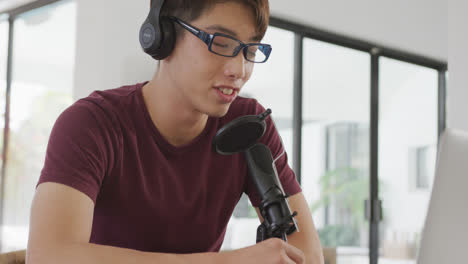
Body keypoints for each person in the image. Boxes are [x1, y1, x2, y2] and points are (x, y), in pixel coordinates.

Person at [26, 0, 324, 263]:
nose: (240, 69)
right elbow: (49, 255)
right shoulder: (91, 124)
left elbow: (307, 254)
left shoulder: (250, 124)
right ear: (162, 37)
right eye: (221, 43)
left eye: (251, 49)